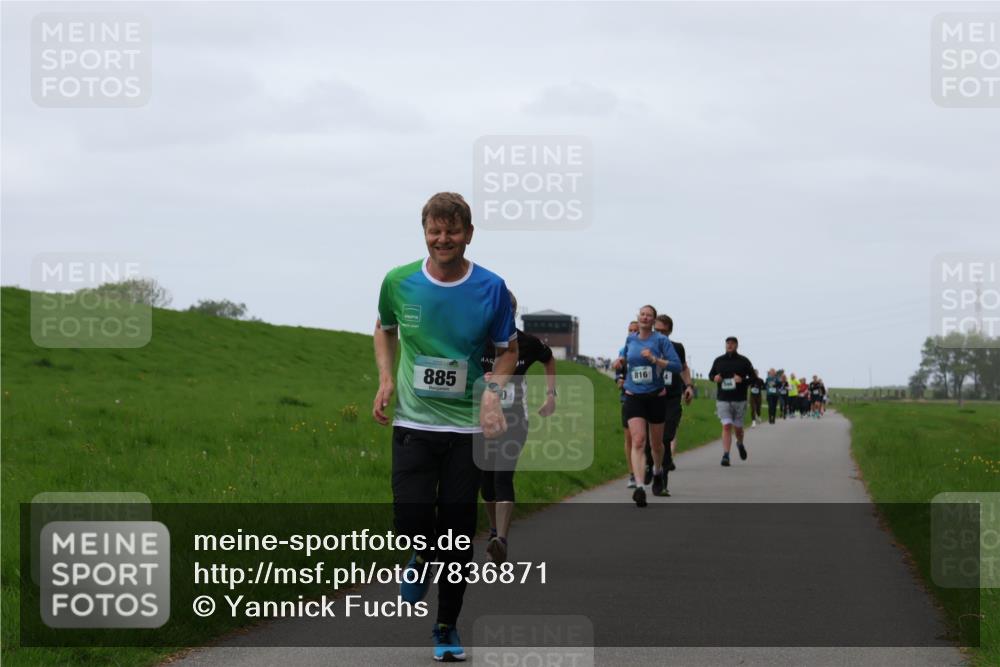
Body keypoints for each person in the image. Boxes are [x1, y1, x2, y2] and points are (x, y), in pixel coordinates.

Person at [373, 192, 517, 662]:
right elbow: (384, 328)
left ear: (468, 235)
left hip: (466, 432)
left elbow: (508, 349)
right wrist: (386, 380)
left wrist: (493, 396)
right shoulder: (398, 282)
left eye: (452, 231)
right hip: (413, 423)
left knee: (457, 533)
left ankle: (446, 627)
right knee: (410, 520)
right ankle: (418, 556)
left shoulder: (491, 288)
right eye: (435, 231)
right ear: (425, 233)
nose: (443, 239)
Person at [480, 291, 556, 564]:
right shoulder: (479, 340)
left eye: (505, 310)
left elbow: (549, 360)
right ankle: (493, 529)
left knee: (502, 476)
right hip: (484, 420)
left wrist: (551, 395)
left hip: (515, 421)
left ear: (512, 312)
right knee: (485, 482)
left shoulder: (527, 343)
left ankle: (501, 539)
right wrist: (483, 378)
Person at [617, 305, 682, 506]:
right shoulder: (630, 340)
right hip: (633, 395)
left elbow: (676, 366)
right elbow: (624, 361)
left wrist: (655, 360)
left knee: (656, 445)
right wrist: (618, 364)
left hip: (656, 395)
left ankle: (657, 472)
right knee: (638, 440)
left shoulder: (661, 341)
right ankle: (639, 487)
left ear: (653, 321)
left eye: (649, 315)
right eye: (642, 314)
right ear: (638, 317)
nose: (645, 318)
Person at [644, 314, 694, 490]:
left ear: (670, 332)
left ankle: (662, 475)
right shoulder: (645, 347)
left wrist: (688, 386)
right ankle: (650, 464)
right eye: (656, 331)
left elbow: (683, 368)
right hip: (651, 396)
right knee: (649, 439)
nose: (660, 335)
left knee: (665, 438)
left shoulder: (677, 348)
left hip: (671, 398)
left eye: (663, 332)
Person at [708, 337, 755, 467]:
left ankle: (739, 443)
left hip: (739, 399)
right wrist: (715, 378)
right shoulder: (718, 361)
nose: (729, 345)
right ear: (725, 345)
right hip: (723, 398)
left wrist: (742, 380)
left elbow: (753, 378)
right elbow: (711, 375)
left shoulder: (744, 361)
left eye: (732, 343)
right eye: (728, 343)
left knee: (738, 428)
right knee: (726, 426)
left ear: (737, 346)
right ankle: (726, 455)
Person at [614, 321, 640, 487]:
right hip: (627, 397)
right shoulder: (623, 351)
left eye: (635, 331)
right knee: (630, 438)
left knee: (643, 439)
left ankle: (645, 465)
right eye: (630, 330)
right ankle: (632, 474)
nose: (632, 333)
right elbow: (618, 373)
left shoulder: (649, 349)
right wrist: (619, 379)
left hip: (647, 397)